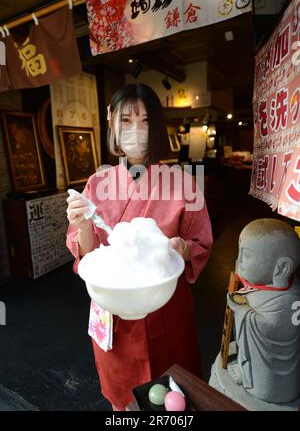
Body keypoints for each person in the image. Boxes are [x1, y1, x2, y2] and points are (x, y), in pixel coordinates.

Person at [66, 83, 213, 410]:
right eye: (126, 120)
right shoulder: (96, 184)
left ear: (156, 126)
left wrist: (182, 247)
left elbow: (200, 243)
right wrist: (83, 225)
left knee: (172, 400)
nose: (135, 131)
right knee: (124, 404)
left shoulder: (183, 183)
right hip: (112, 314)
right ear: (110, 120)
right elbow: (89, 257)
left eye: (145, 121)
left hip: (165, 310)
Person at [227, 218, 300, 404]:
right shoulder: (289, 289)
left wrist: (241, 310)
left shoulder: (288, 299)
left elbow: (274, 327)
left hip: (270, 381)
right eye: (239, 251)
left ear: (282, 268)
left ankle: (247, 375)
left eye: (246, 255)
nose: (239, 260)